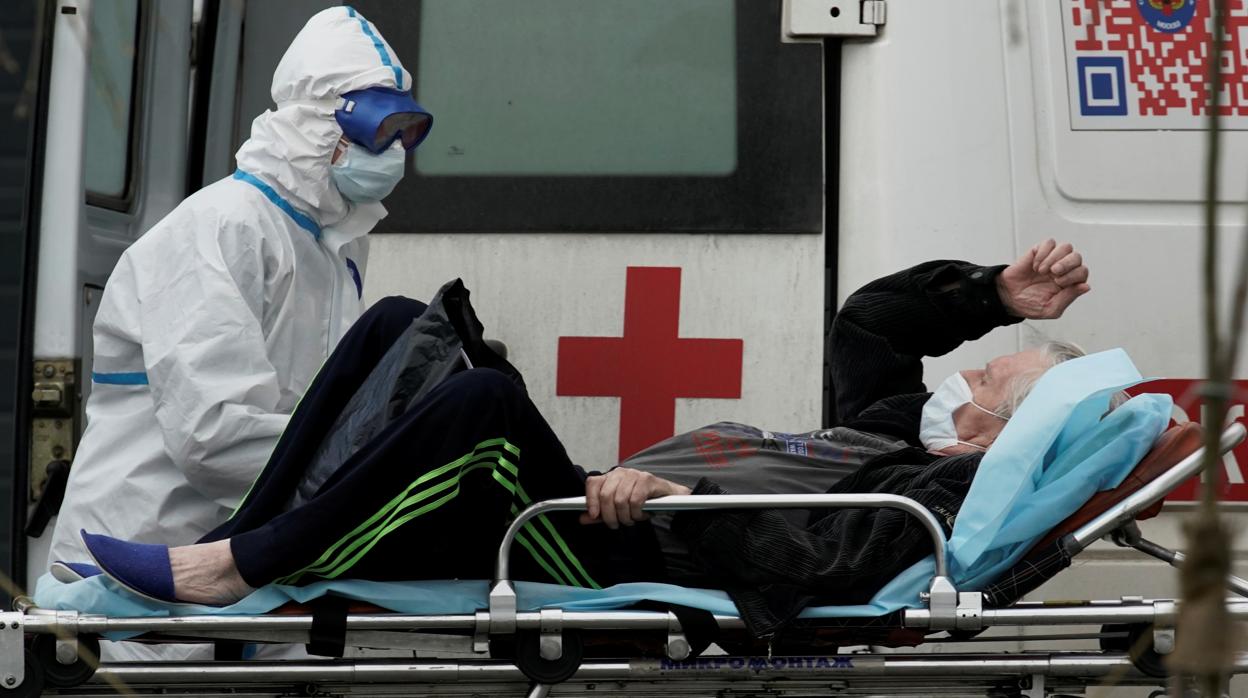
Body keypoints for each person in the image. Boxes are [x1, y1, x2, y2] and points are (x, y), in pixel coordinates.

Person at [77, 241, 1092, 638]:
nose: (972, 372)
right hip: (621, 509)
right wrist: (991, 298)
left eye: (993, 375)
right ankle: (246, 550)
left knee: (486, 409)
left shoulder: (926, 498)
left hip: (631, 549)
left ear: (991, 426)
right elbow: (872, 323)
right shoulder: (886, 436)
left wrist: (679, 501)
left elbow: (814, 568)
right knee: (398, 322)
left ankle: (234, 565)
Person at [48, 7, 431, 658]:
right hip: (142, 593)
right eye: (374, 130)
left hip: (244, 585)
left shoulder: (331, 253)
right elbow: (217, 435)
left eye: (404, 133)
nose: (389, 154)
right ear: (315, 124)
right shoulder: (218, 232)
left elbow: (309, 418)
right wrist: (372, 466)